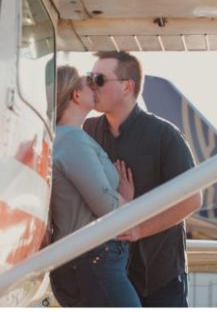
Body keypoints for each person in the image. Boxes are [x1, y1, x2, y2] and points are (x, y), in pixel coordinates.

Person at [84, 51, 201, 307]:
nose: (91, 86)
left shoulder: (165, 136)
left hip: (159, 279)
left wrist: (139, 230)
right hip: (106, 279)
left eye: (99, 80)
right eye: (89, 78)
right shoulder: (86, 132)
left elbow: (192, 200)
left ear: (127, 87)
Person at [49, 65, 141, 307]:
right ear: (76, 96)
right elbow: (107, 206)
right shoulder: (73, 141)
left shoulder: (64, 139)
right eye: (89, 83)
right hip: (93, 263)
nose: (96, 86)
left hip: (86, 264)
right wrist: (128, 203)